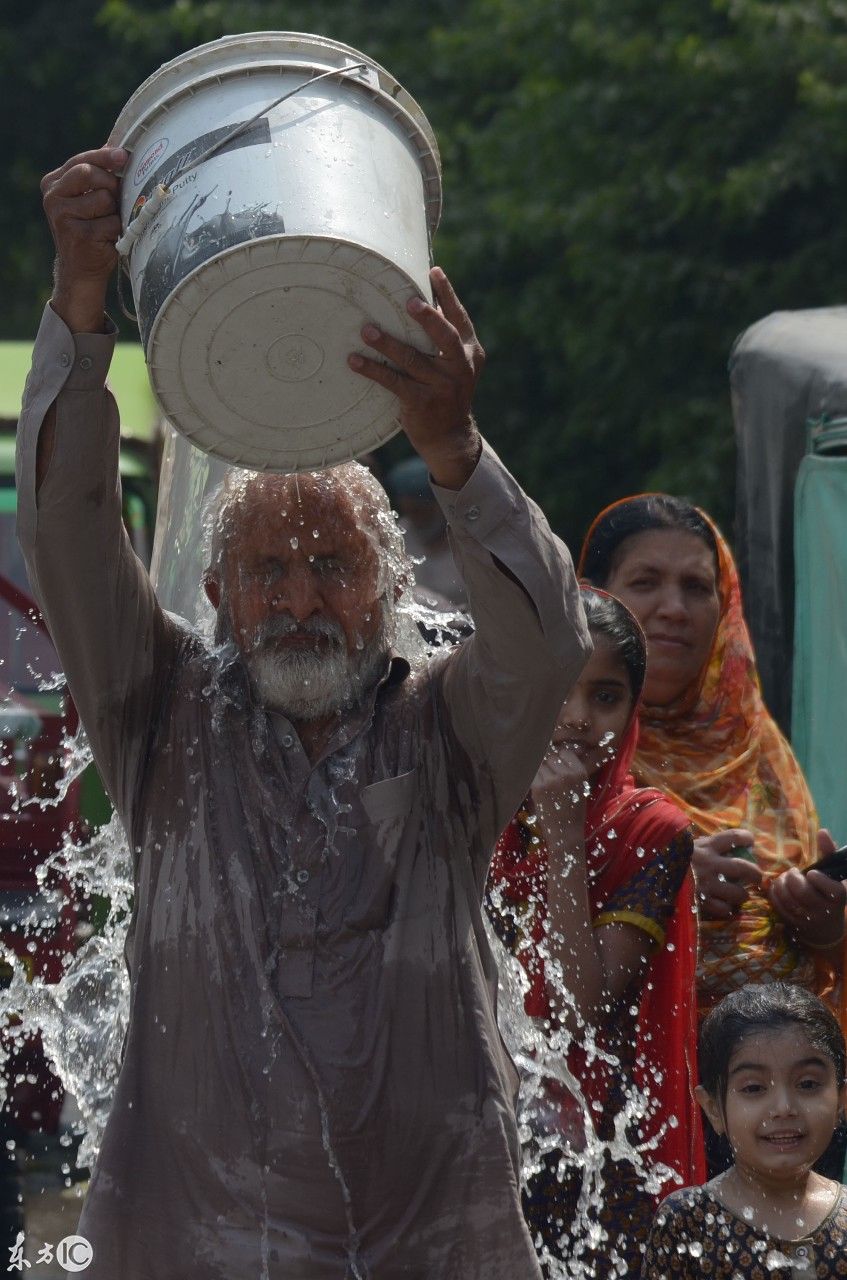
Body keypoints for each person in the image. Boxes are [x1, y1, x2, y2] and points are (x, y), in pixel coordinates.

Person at [18, 145, 592, 1279]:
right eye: (266, 569)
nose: (298, 599)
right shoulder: (161, 712)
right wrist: (80, 302)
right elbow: (70, 527)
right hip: (193, 1234)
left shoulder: (449, 734)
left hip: (428, 1232)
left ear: (390, 589)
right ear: (218, 593)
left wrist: (452, 447)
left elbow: (550, 637)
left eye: (333, 564)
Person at [486, 587, 705, 1278]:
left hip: (608, 1157)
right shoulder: (478, 812)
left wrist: (561, 837)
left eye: (605, 697)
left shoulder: (650, 829)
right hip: (492, 1136)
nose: (578, 719)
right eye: (559, 690)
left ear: (632, 707)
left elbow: (584, 1010)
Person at [578, 496, 847, 1034]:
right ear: (595, 597)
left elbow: (830, 956)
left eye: (697, 588)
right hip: (636, 1078)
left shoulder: (756, 749)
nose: (674, 608)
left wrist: (827, 928)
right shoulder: (570, 744)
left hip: (786, 1082)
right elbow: (518, 911)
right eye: (646, 581)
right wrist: (663, 881)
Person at [641, 982, 847, 1278]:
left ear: (841, 1101)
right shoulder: (689, 1221)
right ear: (713, 1109)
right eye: (754, 1088)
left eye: (808, 1084)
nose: (783, 1107)